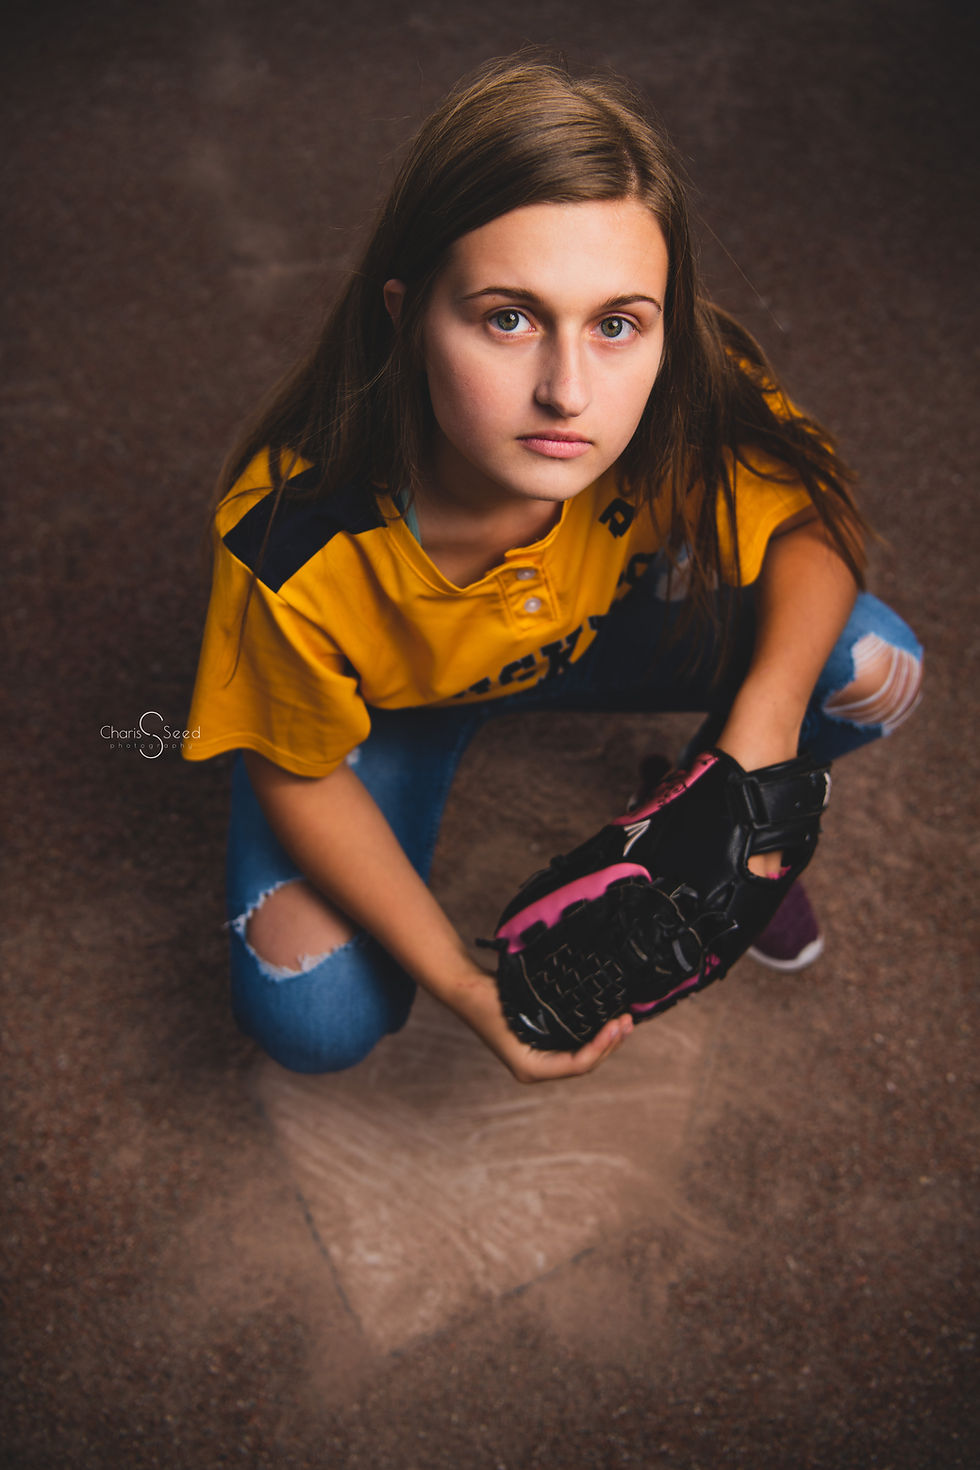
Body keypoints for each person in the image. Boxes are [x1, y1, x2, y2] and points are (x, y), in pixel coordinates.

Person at [182, 57, 922, 1083]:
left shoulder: (678, 392)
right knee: (311, 1009)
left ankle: (700, 822)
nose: (569, 391)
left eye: (616, 323)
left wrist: (748, 751)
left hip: (591, 636)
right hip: (389, 705)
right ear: (405, 313)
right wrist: (462, 982)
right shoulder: (289, 534)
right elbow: (295, 770)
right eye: (507, 317)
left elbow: (810, 516)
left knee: (872, 663)